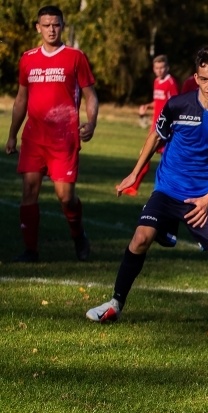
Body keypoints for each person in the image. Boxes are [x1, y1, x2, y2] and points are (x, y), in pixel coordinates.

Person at [85, 45, 208, 336]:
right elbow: (155, 136)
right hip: (169, 188)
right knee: (140, 238)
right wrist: (134, 174)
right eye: (205, 79)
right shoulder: (177, 105)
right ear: (196, 78)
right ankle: (115, 303)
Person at [5, 5, 98, 263]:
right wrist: (12, 134)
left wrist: (91, 122)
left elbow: (90, 95)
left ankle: (78, 235)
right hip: (34, 138)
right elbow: (21, 99)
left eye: (56, 24)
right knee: (28, 191)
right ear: (38, 28)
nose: (51, 30)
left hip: (64, 139)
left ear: (62, 26)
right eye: (46, 25)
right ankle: (30, 251)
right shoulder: (27, 59)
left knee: (66, 197)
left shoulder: (75, 57)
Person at [122, 55, 181, 196]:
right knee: (146, 154)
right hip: (155, 126)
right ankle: (133, 187)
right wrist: (147, 106)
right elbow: (159, 101)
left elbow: (176, 104)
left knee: (167, 159)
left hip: (166, 127)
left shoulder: (171, 83)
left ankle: (169, 189)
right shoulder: (156, 82)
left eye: (162, 67)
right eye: (157, 68)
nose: (159, 70)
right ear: (153, 69)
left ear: (167, 68)